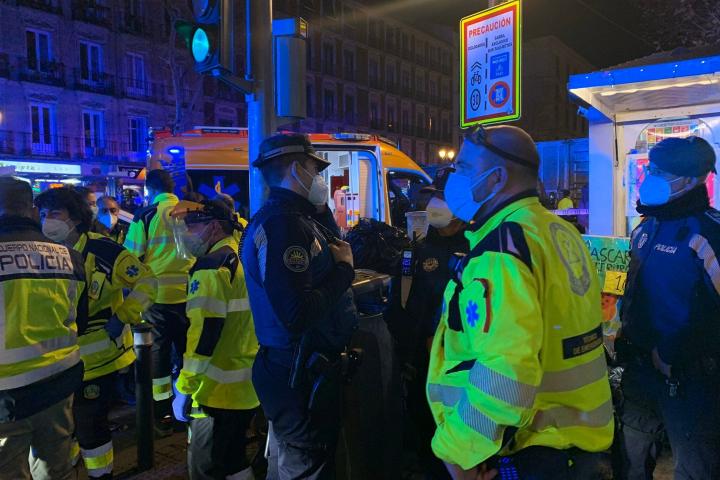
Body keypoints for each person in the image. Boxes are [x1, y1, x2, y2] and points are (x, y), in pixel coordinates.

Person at [427, 125, 614, 480]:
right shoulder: (558, 231)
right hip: (579, 443)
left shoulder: (501, 252)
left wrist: (459, 452)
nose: (453, 177)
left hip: (532, 450)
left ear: (496, 178)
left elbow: (505, 372)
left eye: (463, 167)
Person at [242, 133, 358, 479]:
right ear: (296, 170)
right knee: (306, 465)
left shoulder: (294, 218)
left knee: (290, 461)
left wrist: (322, 211)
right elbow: (296, 313)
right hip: (297, 372)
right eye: (315, 169)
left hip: (296, 368)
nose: (320, 178)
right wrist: (344, 272)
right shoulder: (284, 226)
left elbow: (332, 244)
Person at [34, 187, 157, 479]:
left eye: (54, 213)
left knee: (91, 425)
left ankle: (101, 475)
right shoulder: (40, 250)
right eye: (43, 213)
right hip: (56, 360)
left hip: (98, 359)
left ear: (75, 218)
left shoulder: (104, 251)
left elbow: (148, 282)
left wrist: (123, 317)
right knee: (65, 426)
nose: (47, 220)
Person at [618, 136, 720, 479]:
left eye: (661, 172)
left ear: (691, 180)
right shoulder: (645, 228)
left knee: (696, 468)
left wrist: (675, 352)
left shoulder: (708, 233)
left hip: (690, 381)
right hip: (638, 373)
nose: (650, 177)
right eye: (650, 169)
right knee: (630, 463)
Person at [0, 177, 88, 480]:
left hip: (6, 397)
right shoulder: (69, 256)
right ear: (33, 210)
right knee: (56, 469)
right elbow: (80, 321)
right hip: (58, 384)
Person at [169, 199, 259, 480]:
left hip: (215, 391)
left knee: (206, 465)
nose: (187, 233)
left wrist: (185, 387)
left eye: (192, 226)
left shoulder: (211, 267)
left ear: (215, 227)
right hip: (246, 382)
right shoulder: (241, 255)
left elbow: (203, 335)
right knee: (233, 459)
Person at [404, 166, 468, 480]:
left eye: (444, 197)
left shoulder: (475, 245)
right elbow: (411, 301)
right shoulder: (423, 243)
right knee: (425, 433)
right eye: (436, 196)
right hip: (423, 363)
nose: (436, 204)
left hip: (459, 364)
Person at [124, 169, 194, 436]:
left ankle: (161, 412)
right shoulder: (191, 211)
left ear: (149, 189)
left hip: (158, 299)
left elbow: (131, 257)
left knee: (158, 355)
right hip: (193, 294)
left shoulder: (145, 215)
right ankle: (188, 405)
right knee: (189, 353)